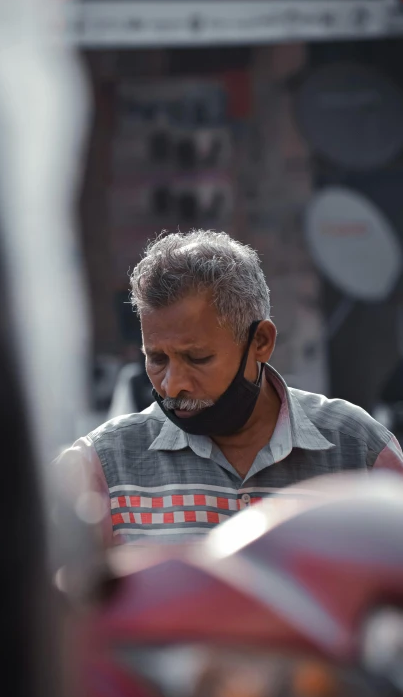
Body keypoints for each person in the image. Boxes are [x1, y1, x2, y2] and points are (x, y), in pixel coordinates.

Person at [57, 230, 403, 545]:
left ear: (261, 342)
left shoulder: (360, 452)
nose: (173, 384)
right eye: (157, 359)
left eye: (197, 358)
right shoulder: (102, 467)